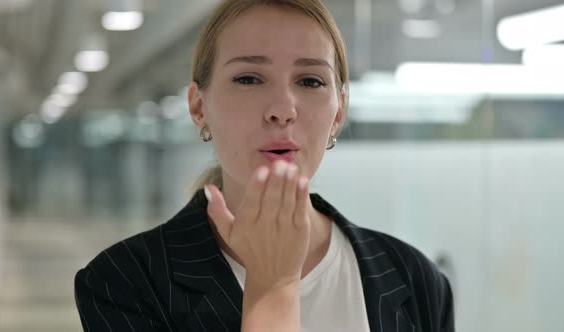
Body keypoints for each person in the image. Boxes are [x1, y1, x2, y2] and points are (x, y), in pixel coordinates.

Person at [74, 0, 455, 331]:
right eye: (249, 78)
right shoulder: (124, 282)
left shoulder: (415, 279)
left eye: (310, 81)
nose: (283, 110)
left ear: (338, 114)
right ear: (198, 107)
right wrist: (272, 288)